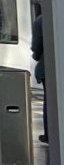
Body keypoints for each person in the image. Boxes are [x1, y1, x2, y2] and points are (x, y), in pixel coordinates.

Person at [34, 8, 50, 147]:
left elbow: (36, 46)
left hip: (47, 67)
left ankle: (49, 134)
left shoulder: (41, 19)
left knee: (50, 101)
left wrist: (36, 56)